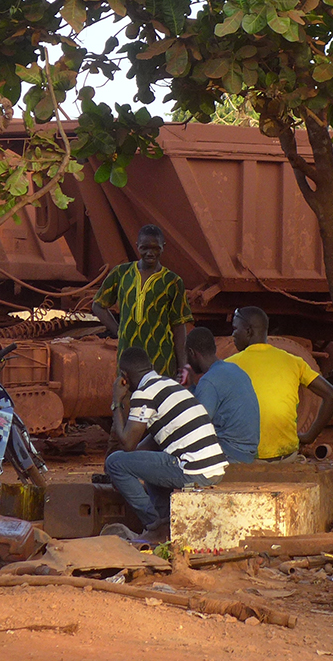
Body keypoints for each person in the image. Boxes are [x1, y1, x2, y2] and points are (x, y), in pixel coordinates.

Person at [106, 346, 228, 541]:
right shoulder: (171, 386)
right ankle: (165, 523)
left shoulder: (144, 393)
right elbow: (149, 444)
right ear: (150, 367)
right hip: (212, 469)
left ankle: (154, 525)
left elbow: (127, 444)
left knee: (114, 462)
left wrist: (116, 402)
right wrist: (134, 464)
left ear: (124, 377)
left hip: (191, 469)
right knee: (148, 466)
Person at [227, 306, 333, 462]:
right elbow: (332, 395)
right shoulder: (293, 361)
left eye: (235, 329)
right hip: (286, 456)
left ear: (248, 331)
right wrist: (309, 436)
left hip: (247, 458)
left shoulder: (229, 366)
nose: (233, 334)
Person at [92, 225, 193, 378]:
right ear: (137, 246)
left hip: (161, 361)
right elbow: (98, 305)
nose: (150, 253)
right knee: (126, 399)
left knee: (160, 400)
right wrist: (119, 331)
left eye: (156, 248)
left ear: (163, 247)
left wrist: (183, 367)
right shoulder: (121, 273)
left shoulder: (172, 281)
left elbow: (179, 326)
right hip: (128, 360)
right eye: (144, 248)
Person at [185, 327, 259, 464]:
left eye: (187, 356)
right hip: (247, 453)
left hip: (230, 454)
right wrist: (191, 386)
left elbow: (197, 427)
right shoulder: (234, 369)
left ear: (192, 353)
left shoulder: (209, 380)